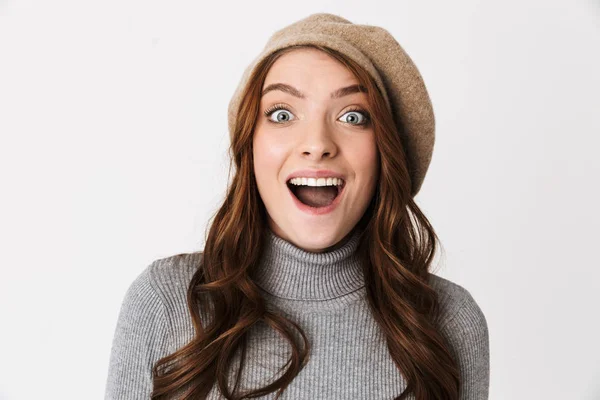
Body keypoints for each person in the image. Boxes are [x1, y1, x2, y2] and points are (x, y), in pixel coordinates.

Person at [105, 13, 490, 400]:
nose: (317, 142)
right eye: (282, 114)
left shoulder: (448, 323)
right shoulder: (166, 303)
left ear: (386, 152)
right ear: (250, 145)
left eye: (352, 116)